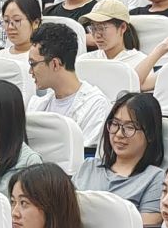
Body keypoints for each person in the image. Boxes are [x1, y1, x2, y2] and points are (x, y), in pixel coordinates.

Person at [78, 90, 168, 228]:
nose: (119, 134)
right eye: (115, 124)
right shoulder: (88, 166)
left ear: (150, 134)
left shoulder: (156, 179)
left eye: (130, 127)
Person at [24, 20, 108, 155]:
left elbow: (85, 158)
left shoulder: (95, 106)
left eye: (33, 64)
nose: (30, 71)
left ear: (55, 64)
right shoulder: (37, 105)